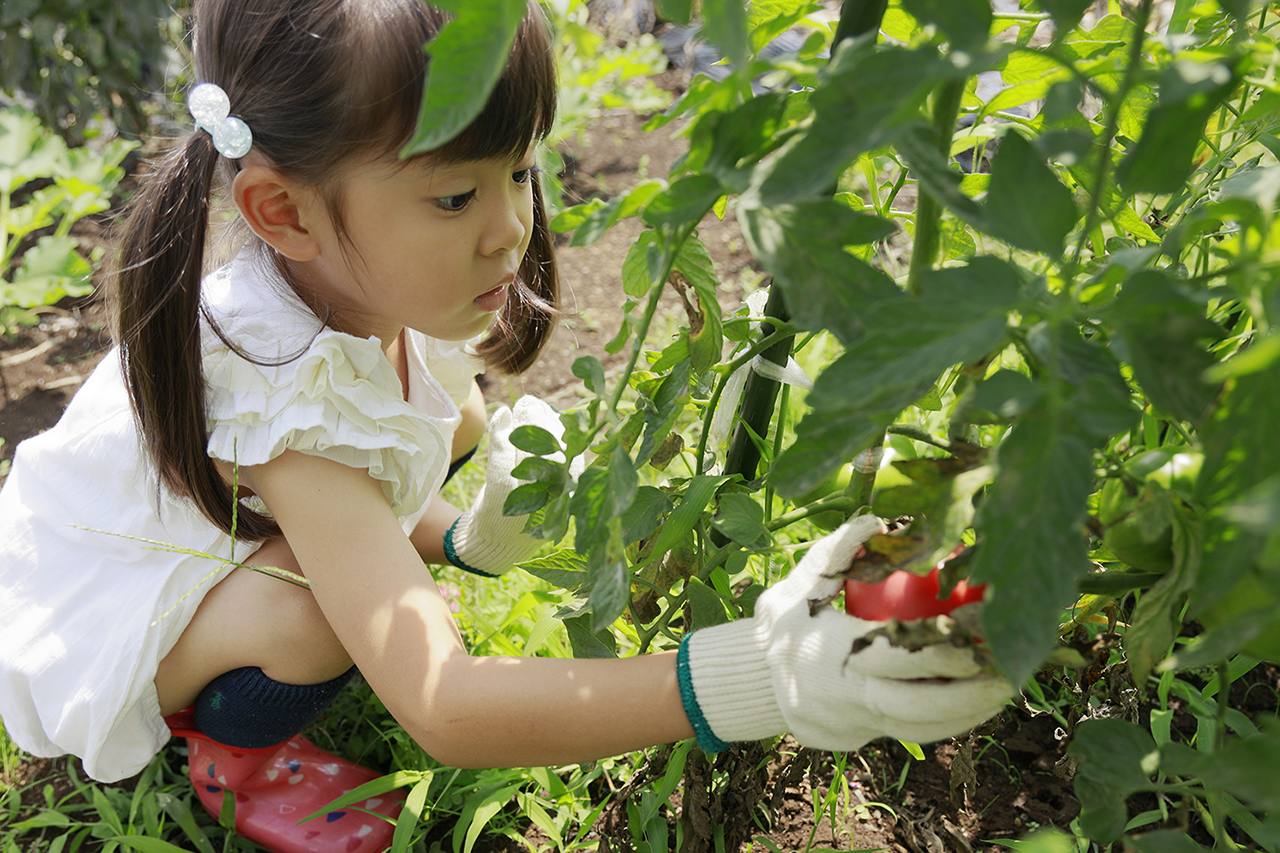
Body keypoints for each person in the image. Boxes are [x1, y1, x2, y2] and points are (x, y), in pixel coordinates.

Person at [0, 1, 1012, 851]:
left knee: (455, 428)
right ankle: (238, 753)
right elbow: (445, 705)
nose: (510, 227)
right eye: (454, 194)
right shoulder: (281, 397)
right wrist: (764, 674)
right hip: (96, 596)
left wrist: (472, 541)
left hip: (228, 517)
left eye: (519, 172)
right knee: (311, 613)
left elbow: (404, 472)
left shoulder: (380, 289)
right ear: (285, 213)